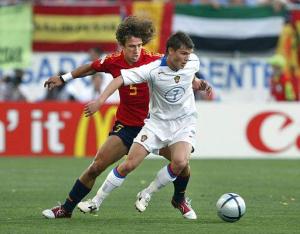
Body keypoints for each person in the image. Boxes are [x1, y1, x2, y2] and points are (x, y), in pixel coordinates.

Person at [42, 16, 197, 219]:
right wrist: (64, 78)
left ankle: (179, 199)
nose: (137, 51)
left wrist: (197, 82)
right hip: (128, 126)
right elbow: (91, 67)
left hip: (156, 125)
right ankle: (66, 208)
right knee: (96, 166)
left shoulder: (154, 60)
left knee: (183, 165)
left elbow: (180, 73)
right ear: (122, 45)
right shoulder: (114, 61)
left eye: (140, 45)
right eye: (132, 46)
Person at [81, 31, 212, 219]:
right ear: (171, 51)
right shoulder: (152, 69)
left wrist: (199, 83)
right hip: (157, 124)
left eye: (189, 54)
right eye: (183, 54)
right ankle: (96, 202)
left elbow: (190, 76)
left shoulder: (193, 62)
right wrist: (100, 101)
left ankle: (148, 193)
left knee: (181, 162)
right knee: (129, 164)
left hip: (184, 123)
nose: (187, 58)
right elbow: (120, 79)